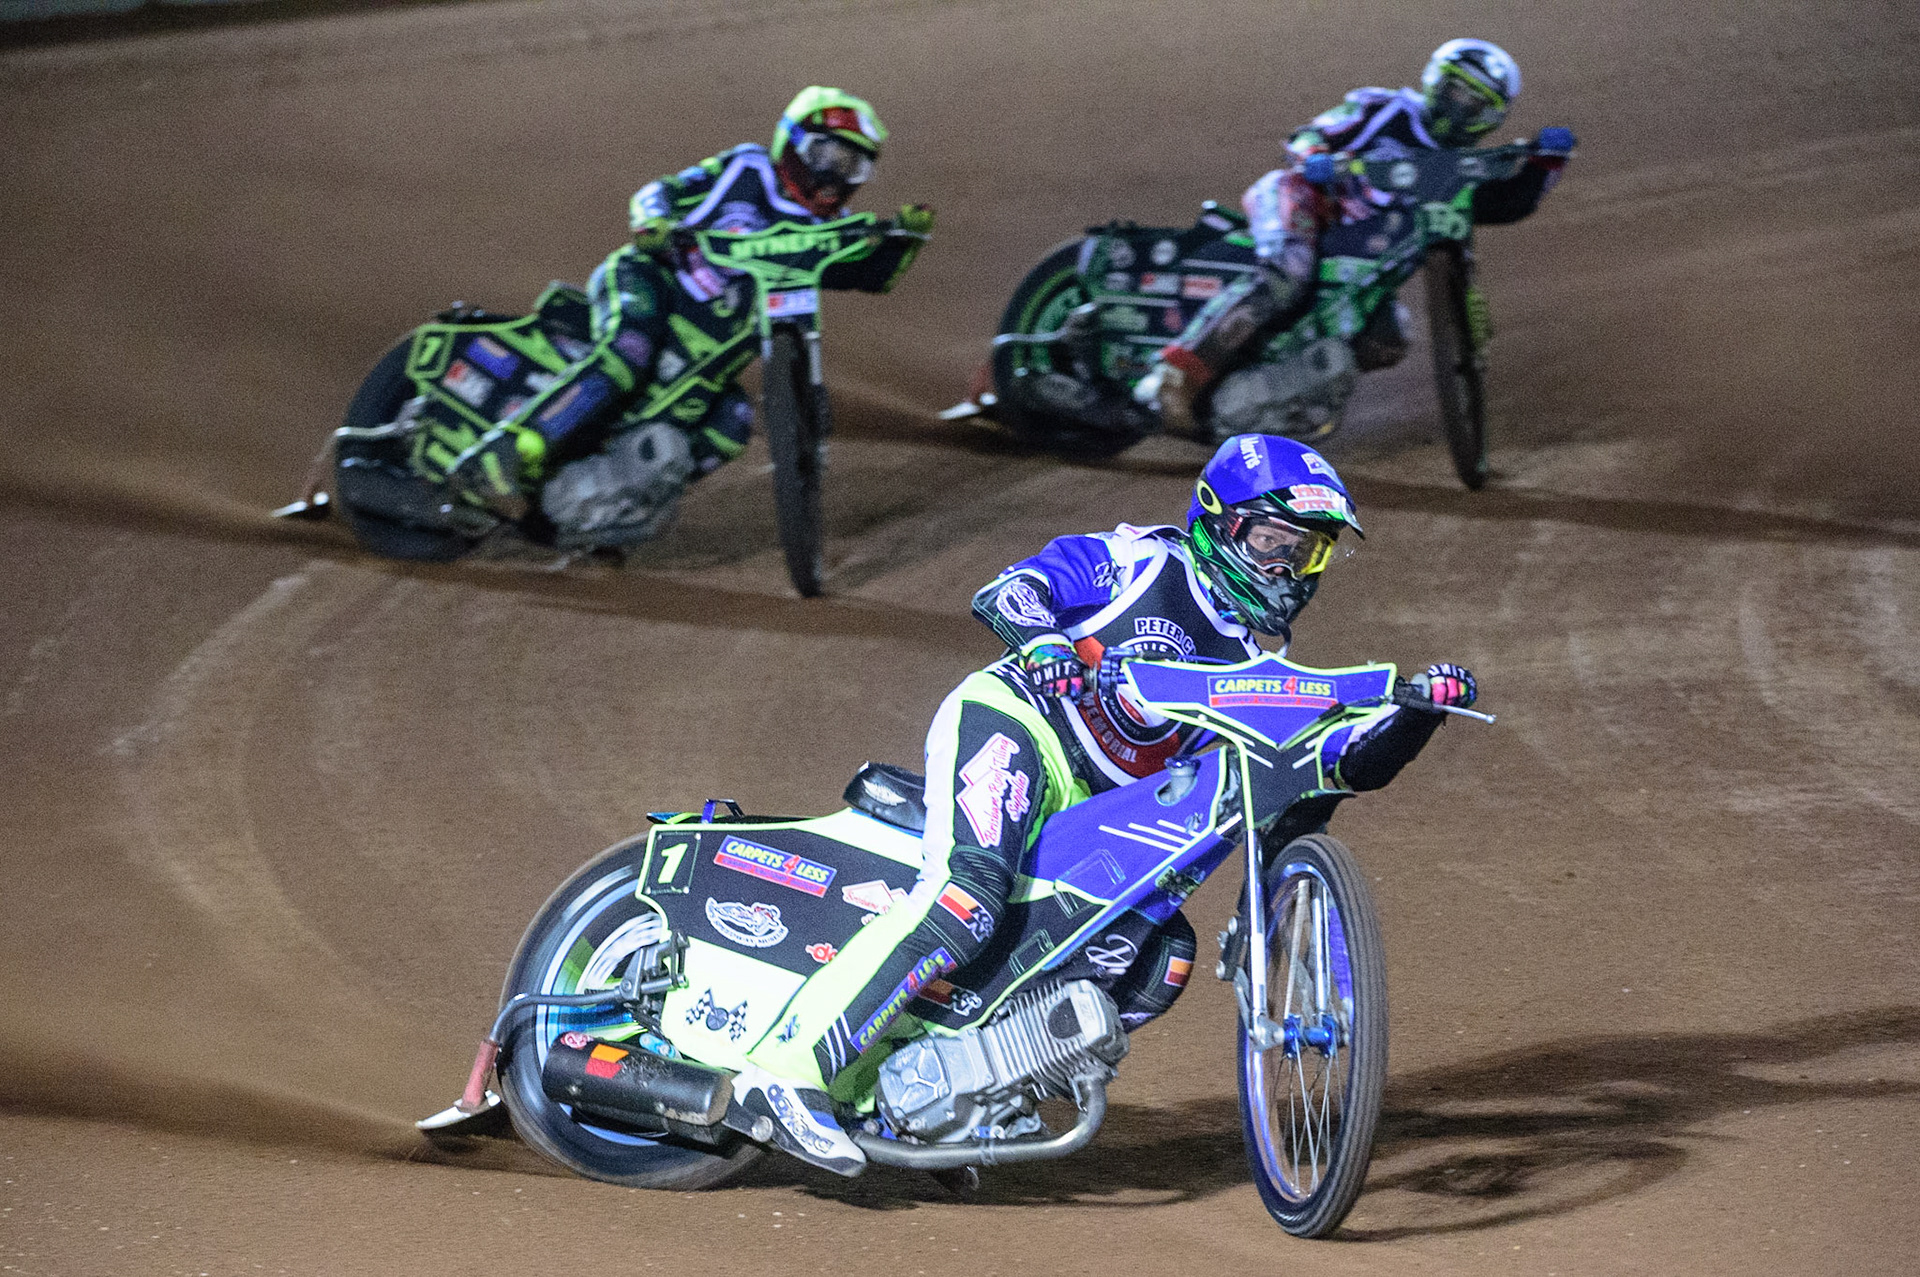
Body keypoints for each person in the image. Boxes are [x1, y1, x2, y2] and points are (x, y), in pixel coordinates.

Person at [733, 433, 1478, 1173]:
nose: (1288, 567)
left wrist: (1419, 711)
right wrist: (1046, 644)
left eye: (1308, 551)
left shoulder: (1260, 670)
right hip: (1018, 724)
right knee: (970, 896)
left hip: (1091, 810)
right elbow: (1011, 591)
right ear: (1220, 522)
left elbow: (1341, 765)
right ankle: (786, 1068)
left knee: (1160, 957)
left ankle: (968, 1085)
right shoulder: (1140, 560)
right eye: (1275, 539)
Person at [429, 86, 932, 545]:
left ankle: (599, 506)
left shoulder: (830, 234)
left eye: (852, 166)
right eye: (825, 154)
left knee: (731, 422)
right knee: (629, 354)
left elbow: (872, 276)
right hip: (653, 285)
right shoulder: (746, 170)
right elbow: (660, 193)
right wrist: (656, 223)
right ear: (792, 143)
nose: (834, 175)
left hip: (703, 360)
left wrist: (905, 241)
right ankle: (506, 450)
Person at [1133, 38, 1576, 422]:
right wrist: (1315, 156)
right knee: (1290, 267)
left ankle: (1269, 398)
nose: (1458, 105)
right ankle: (1179, 372)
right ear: (1434, 81)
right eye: (1453, 89)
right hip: (1302, 200)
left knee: (1388, 336)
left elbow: (1506, 205)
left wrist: (1546, 163)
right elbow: (1308, 134)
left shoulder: (1464, 172)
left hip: (1357, 262)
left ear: (1491, 116)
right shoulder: (1382, 107)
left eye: (1473, 101)